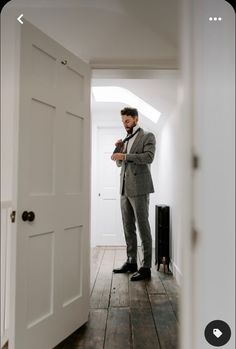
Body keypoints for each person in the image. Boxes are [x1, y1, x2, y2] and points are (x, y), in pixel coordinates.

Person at [111, 107, 156, 281]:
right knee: (128, 226)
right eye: (123, 122)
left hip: (140, 188)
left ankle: (146, 267)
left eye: (127, 121)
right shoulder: (125, 139)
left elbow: (148, 157)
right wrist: (118, 150)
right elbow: (119, 164)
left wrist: (125, 155)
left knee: (143, 227)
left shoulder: (147, 136)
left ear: (136, 119)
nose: (125, 124)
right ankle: (131, 261)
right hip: (124, 189)